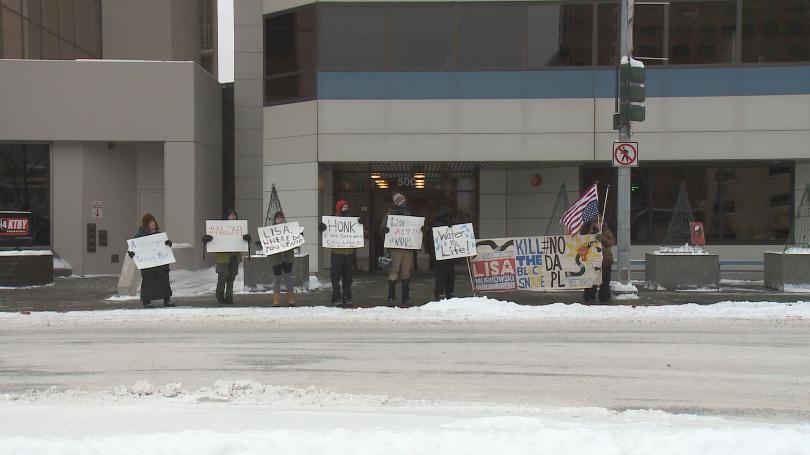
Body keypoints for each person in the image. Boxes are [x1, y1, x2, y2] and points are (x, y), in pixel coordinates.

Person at [201, 210, 251, 304]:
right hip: (222, 257)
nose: (233, 217)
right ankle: (219, 294)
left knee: (231, 276)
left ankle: (229, 296)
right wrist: (206, 239)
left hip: (234, 256)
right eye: (231, 215)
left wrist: (247, 238)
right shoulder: (219, 228)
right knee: (223, 275)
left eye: (234, 215)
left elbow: (243, 240)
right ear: (227, 217)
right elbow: (210, 238)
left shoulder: (239, 228)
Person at [128, 213, 173, 308]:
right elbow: (133, 249)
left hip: (160, 264)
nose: (153, 225)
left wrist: (168, 244)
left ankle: (167, 299)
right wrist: (131, 253)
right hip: (148, 265)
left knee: (164, 281)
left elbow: (165, 248)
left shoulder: (159, 236)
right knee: (148, 282)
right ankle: (146, 300)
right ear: (146, 225)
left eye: (154, 223)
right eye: (150, 223)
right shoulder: (139, 237)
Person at [319, 199, 359, 307]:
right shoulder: (333, 221)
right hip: (337, 253)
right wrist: (322, 228)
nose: (346, 209)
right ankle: (337, 297)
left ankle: (347, 297)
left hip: (349, 253)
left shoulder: (352, 221)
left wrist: (360, 225)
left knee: (348, 277)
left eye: (347, 207)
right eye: (343, 207)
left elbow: (358, 232)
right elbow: (325, 231)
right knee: (335, 277)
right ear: (339, 208)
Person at [380, 192, 417, 306]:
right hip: (395, 249)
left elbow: (413, 230)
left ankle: (406, 298)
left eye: (403, 200)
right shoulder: (389, 214)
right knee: (393, 272)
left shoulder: (408, 215)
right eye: (400, 201)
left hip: (406, 249)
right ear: (396, 203)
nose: (403, 203)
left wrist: (420, 229)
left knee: (406, 273)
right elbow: (381, 229)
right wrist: (384, 231)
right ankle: (391, 298)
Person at [581, 215, 615, 304]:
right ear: (593, 223)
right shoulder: (587, 231)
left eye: (600, 222)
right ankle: (589, 298)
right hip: (592, 261)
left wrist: (603, 238)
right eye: (597, 222)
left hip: (605, 261)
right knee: (592, 282)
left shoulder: (606, 231)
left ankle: (605, 298)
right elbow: (582, 243)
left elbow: (611, 242)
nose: (599, 224)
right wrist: (591, 234)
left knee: (605, 282)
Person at [268, 211, 296, 307]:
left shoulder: (289, 229)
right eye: (278, 218)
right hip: (276, 258)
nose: (280, 220)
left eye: (281, 218)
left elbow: (295, 241)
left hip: (287, 256)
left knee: (288, 277)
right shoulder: (270, 231)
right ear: (274, 220)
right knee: (277, 278)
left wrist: (299, 235)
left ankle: (291, 299)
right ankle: (276, 300)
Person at [431, 207, 456, 300]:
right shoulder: (445, 228)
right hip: (447, 256)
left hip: (440, 257)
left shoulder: (434, 227)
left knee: (441, 278)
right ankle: (448, 294)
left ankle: (440, 294)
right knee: (449, 277)